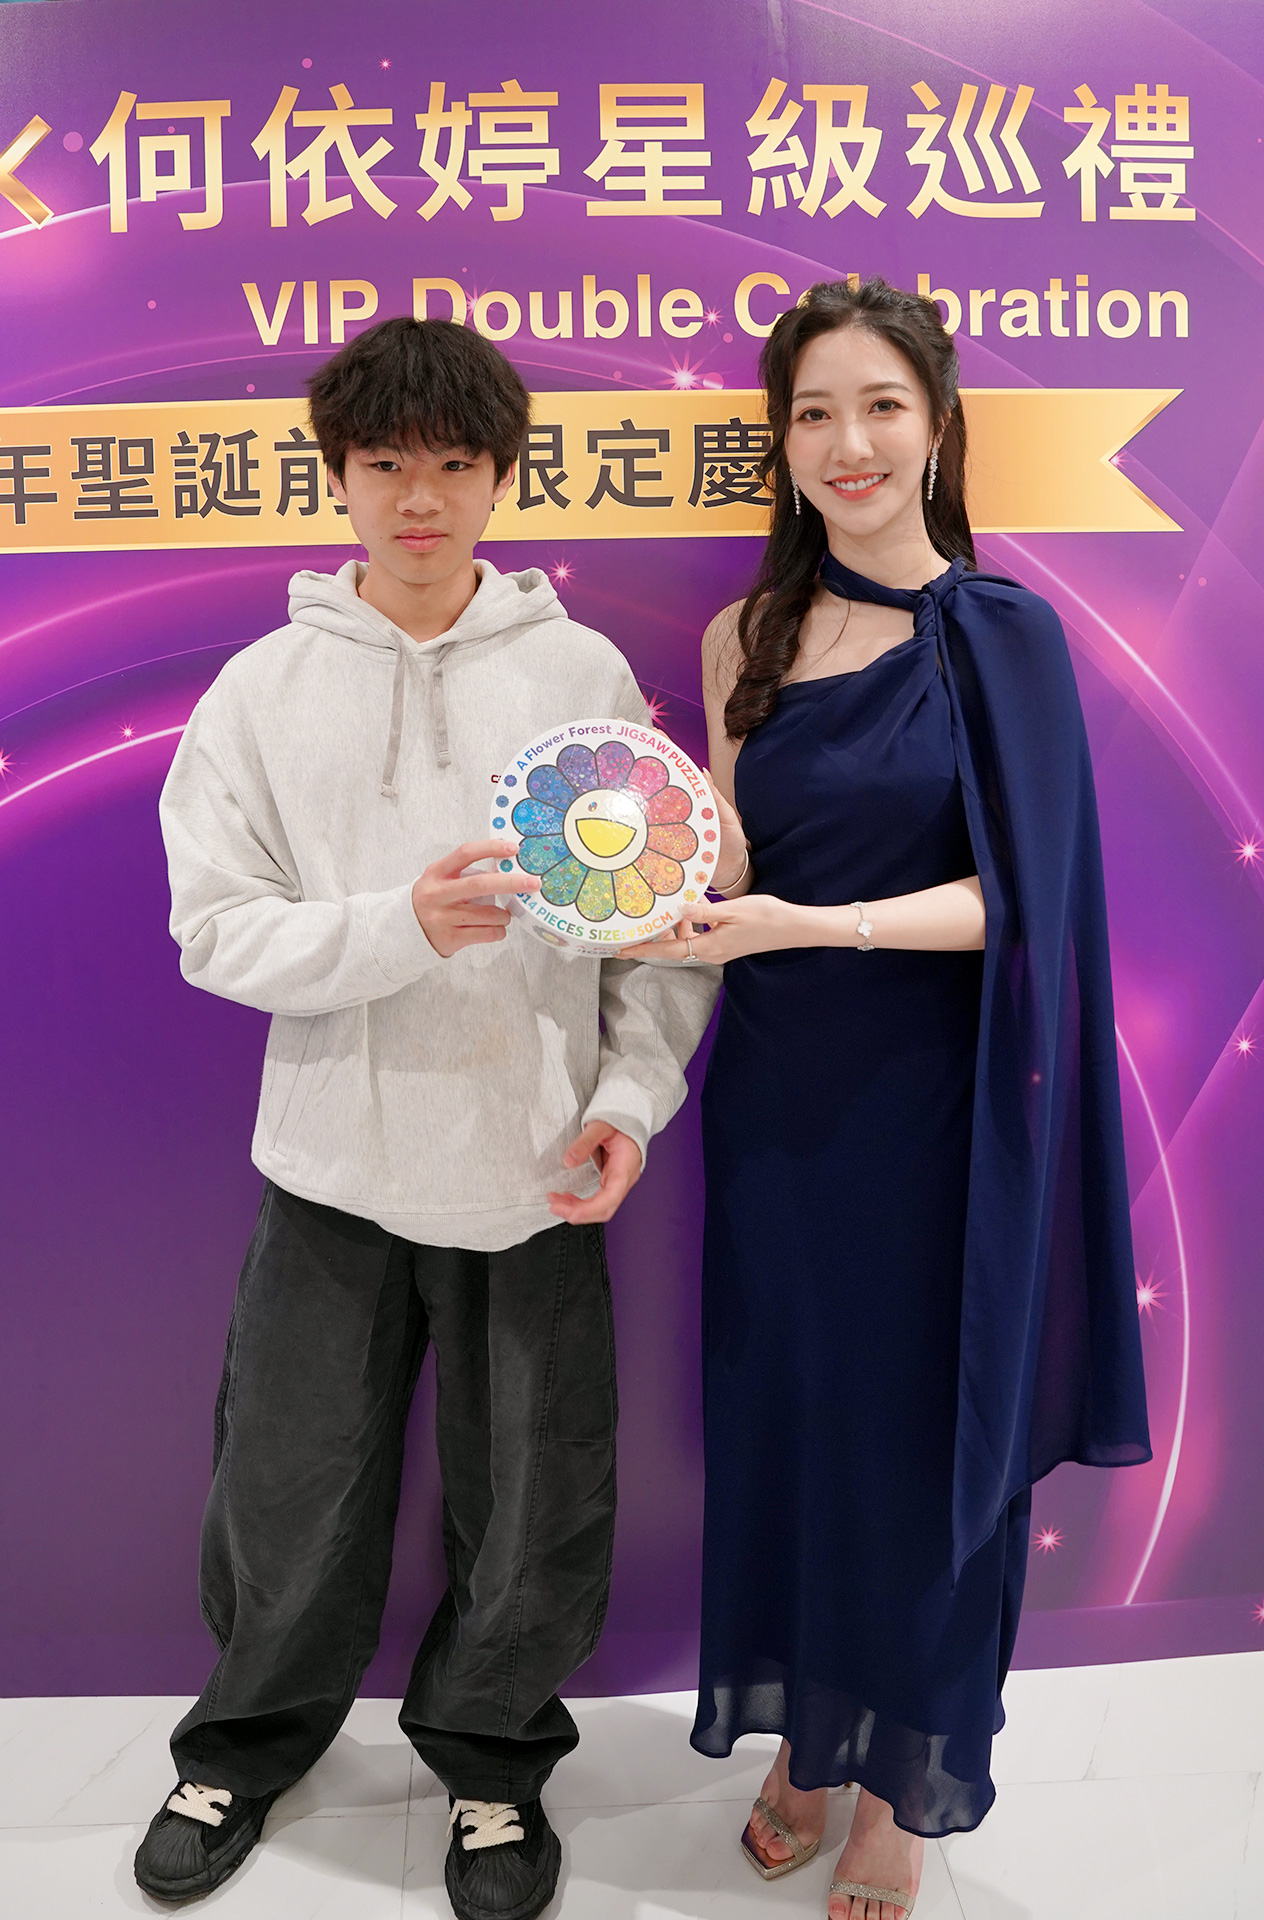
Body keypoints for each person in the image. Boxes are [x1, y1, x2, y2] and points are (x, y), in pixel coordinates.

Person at [135, 316, 719, 1917]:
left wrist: (628, 1101)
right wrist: (401, 924)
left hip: (533, 1170)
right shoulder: (261, 692)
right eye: (385, 462)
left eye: (455, 464)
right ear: (336, 473)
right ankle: (242, 1747)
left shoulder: (581, 678)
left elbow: (654, 934)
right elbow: (214, 932)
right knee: (285, 1490)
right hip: (328, 1168)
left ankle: (493, 1765)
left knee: (537, 1499)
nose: (419, 497)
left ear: (500, 478)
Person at [641, 278, 1151, 1920]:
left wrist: (814, 924)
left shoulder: (1000, 634)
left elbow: (1028, 904)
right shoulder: (744, 636)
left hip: (939, 1113)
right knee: (793, 1424)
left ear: (936, 431)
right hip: (778, 1105)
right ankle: (809, 1734)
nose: (846, 443)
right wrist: (662, 855)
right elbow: (741, 858)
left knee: (926, 1448)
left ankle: (899, 1791)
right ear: (782, 443)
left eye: (880, 407)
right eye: (812, 413)